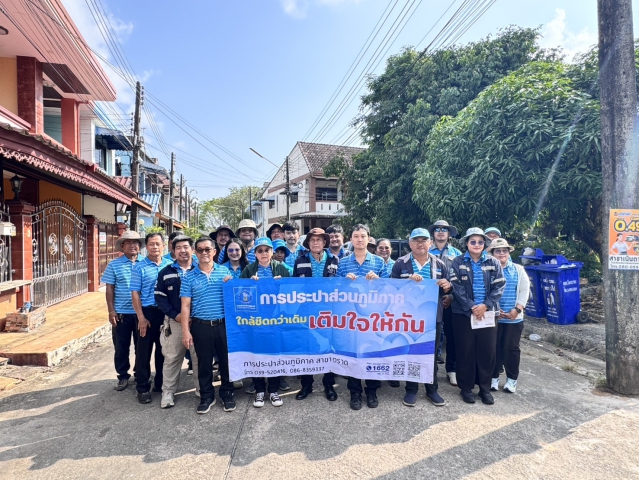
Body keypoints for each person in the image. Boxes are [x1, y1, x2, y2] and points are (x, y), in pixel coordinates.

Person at [391, 228, 452, 407]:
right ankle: (411, 389)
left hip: (433, 317)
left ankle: (431, 389)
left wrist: (448, 287)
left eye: (424, 240)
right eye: (416, 240)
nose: (420, 243)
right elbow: (391, 289)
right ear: (410, 243)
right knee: (411, 352)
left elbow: (449, 290)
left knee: (430, 354)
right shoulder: (400, 264)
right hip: (408, 318)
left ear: (430, 243)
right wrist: (407, 282)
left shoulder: (440, 264)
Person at [449, 227, 505, 405]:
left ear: (484, 244)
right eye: (472, 241)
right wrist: (472, 307)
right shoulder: (457, 262)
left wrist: (485, 305)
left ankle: (484, 389)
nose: (476, 244)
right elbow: (456, 287)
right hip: (463, 314)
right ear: (466, 243)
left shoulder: (493, 262)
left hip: (487, 314)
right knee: (465, 351)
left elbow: (499, 286)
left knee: (487, 351)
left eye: (480, 242)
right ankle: (466, 388)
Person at [180, 237, 236, 414]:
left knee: (226, 362)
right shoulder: (189, 277)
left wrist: (231, 283)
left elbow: (237, 296)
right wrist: (185, 331)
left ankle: (227, 393)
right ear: (195, 253)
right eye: (200, 250)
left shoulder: (224, 272)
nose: (204, 253)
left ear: (214, 252)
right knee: (203, 364)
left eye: (207, 249)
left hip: (223, 325)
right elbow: (185, 306)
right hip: (200, 326)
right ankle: (207, 396)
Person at [337, 224, 389, 410]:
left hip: (372, 317)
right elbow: (335, 290)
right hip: (351, 318)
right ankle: (355, 392)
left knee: (372, 351)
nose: (359, 239)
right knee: (353, 353)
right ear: (351, 239)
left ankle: (372, 390)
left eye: (363, 236)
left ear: (368, 239)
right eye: (356, 236)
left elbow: (389, 289)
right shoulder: (343, 262)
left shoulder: (378, 262)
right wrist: (344, 282)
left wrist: (378, 281)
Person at [240, 237, 291, 407]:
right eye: (260, 251)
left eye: (267, 250)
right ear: (255, 254)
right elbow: (238, 292)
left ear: (272, 252)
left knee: (274, 354)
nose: (263, 253)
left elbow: (293, 291)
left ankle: (274, 391)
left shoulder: (281, 268)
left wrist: (282, 284)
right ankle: (260, 390)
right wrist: (249, 285)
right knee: (257, 354)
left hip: (276, 319)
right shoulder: (248, 270)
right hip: (255, 321)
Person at [293, 228, 339, 402]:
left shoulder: (335, 260)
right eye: (312, 240)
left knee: (328, 346)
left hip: (329, 311)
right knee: (307, 347)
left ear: (324, 242)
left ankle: (329, 384)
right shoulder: (300, 261)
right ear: (308, 243)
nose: (315, 243)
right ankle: (306, 385)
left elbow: (341, 285)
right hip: (306, 311)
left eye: (319, 239)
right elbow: (294, 286)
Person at [155, 235, 200, 408]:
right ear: (173, 251)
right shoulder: (165, 272)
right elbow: (160, 299)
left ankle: (201, 389)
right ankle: (168, 392)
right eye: (178, 247)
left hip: (198, 322)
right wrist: (176, 315)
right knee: (172, 358)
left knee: (199, 358)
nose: (182, 250)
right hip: (175, 322)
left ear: (192, 250)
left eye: (186, 247)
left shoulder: (200, 269)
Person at [131, 233, 172, 404]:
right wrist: (141, 317)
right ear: (146, 247)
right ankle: (142, 388)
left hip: (165, 314)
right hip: (147, 314)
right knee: (143, 352)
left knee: (164, 351)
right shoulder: (139, 267)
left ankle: (160, 384)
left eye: (158, 244)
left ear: (164, 245)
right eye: (151, 244)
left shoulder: (170, 265)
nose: (155, 247)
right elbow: (135, 293)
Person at [487, 239, 530, 394]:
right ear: (492, 253)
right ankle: (493, 378)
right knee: (493, 348)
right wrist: (493, 311)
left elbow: (524, 290)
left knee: (511, 349)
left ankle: (512, 380)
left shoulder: (518, 269)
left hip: (513, 317)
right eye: (497, 251)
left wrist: (517, 309)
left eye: (504, 250)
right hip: (494, 316)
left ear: (509, 252)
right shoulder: (488, 270)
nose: (501, 253)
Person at [101, 230, 142, 391]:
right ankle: (123, 376)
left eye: (135, 243)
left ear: (139, 246)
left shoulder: (145, 263)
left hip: (142, 314)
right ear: (122, 246)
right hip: (121, 314)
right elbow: (109, 288)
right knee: (121, 347)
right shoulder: (114, 264)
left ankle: (140, 374)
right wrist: (111, 311)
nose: (132, 245)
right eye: (128, 243)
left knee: (142, 347)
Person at [428, 220, 462, 385]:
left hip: (450, 302)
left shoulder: (457, 254)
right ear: (433, 233)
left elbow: (461, 279)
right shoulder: (426, 250)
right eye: (437, 229)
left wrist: (451, 296)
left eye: (444, 230)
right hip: (428, 303)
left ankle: (451, 370)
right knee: (429, 337)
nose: (441, 232)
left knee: (452, 336)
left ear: (449, 234)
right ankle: (429, 370)